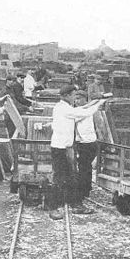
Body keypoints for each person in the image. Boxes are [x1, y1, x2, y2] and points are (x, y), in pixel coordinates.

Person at [49, 85, 106, 220]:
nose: (75, 98)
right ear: (67, 95)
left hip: (64, 147)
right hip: (60, 148)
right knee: (60, 177)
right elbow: (83, 113)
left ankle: (74, 203)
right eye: (74, 95)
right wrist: (98, 104)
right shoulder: (63, 109)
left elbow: (81, 109)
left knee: (69, 177)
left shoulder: (63, 107)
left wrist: (94, 102)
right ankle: (53, 207)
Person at [74, 89, 99, 199]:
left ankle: (83, 191)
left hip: (87, 143)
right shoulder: (83, 109)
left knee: (84, 167)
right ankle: (85, 189)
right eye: (75, 99)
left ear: (85, 99)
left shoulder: (83, 111)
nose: (76, 101)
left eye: (79, 99)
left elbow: (72, 119)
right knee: (84, 167)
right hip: (85, 142)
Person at [4, 73, 34, 137]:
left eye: (14, 81)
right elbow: (14, 103)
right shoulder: (5, 91)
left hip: (12, 114)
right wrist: (27, 108)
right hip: (8, 115)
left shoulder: (11, 89)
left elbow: (16, 101)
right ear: (7, 81)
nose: (13, 82)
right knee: (11, 133)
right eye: (12, 81)